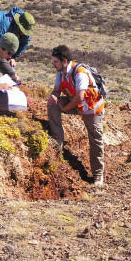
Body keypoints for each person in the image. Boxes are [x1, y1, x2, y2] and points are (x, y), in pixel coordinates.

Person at [47, 45, 106, 186]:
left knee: (95, 139)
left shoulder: (80, 72)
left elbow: (79, 96)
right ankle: (58, 141)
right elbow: (56, 90)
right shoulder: (60, 72)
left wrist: (65, 107)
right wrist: (54, 97)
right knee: (52, 105)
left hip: (91, 109)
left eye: (56, 61)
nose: (53, 64)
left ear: (65, 61)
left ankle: (98, 175)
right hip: (77, 105)